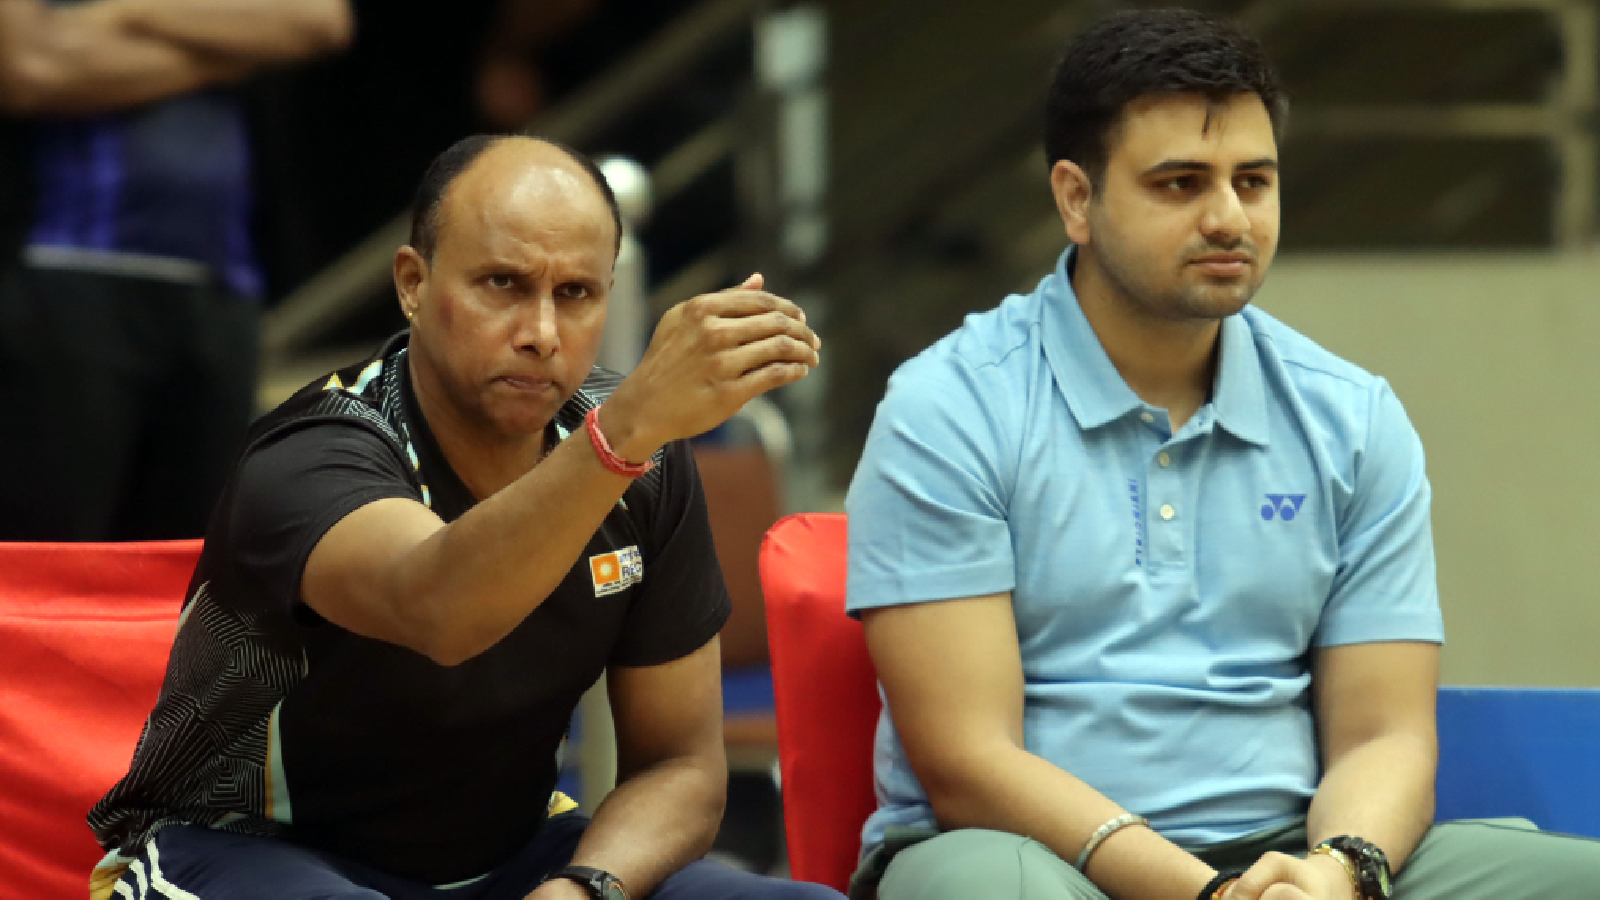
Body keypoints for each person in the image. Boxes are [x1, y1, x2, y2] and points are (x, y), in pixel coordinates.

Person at [843, 9, 1600, 900]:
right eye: (1180, 184)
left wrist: (1338, 874)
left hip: (1289, 853)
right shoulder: (950, 406)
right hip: (1030, 854)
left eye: (1253, 180)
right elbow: (967, 763)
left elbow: (1383, 736)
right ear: (1075, 199)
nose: (1229, 217)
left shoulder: (1349, 416)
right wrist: (1201, 894)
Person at [88, 134, 843, 900]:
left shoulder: (643, 463)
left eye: (576, 293)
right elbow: (442, 607)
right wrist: (624, 435)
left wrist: (583, 889)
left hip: (509, 862)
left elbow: (680, 767)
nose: (541, 333)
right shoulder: (314, 452)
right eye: (503, 284)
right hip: (236, 854)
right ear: (413, 284)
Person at [0, 0, 350, 540]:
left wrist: (120, 14)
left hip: (222, 280)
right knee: (48, 557)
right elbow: (29, 70)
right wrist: (229, 50)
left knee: (193, 567)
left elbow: (319, 19)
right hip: (68, 271)